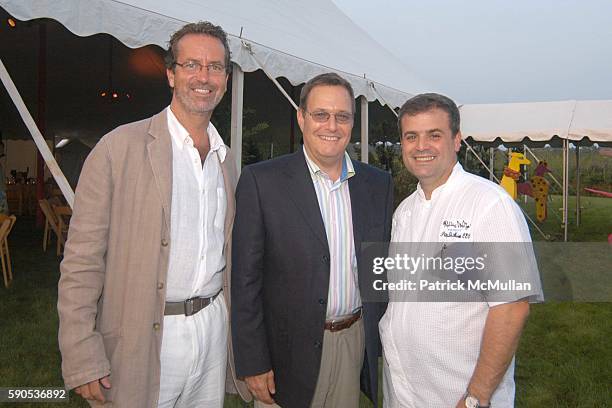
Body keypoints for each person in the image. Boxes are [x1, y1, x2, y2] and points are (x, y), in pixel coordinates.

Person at [58, 21, 249, 407]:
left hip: (212, 332)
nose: (203, 77)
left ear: (226, 79)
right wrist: (81, 352)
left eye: (214, 67)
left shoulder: (226, 162)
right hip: (141, 336)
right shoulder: (118, 149)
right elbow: (81, 261)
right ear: (170, 74)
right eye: (191, 64)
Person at [231, 73, 393, 408]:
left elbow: (380, 267)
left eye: (342, 116)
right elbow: (245, 282)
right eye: (320, 114)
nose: (331, 125)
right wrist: (253, 361)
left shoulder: (377, 184)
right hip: (285, 354)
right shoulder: (262, 182)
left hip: (352, 343)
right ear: (302, 117)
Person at [379, 93, 543, 408]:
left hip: (458, 396)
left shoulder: (489, 205)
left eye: (434, 135)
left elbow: (511, 308)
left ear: (457, 140)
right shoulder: (404, 212)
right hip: (402, 394)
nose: (421, 146)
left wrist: (476, 397)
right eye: (411, 136)